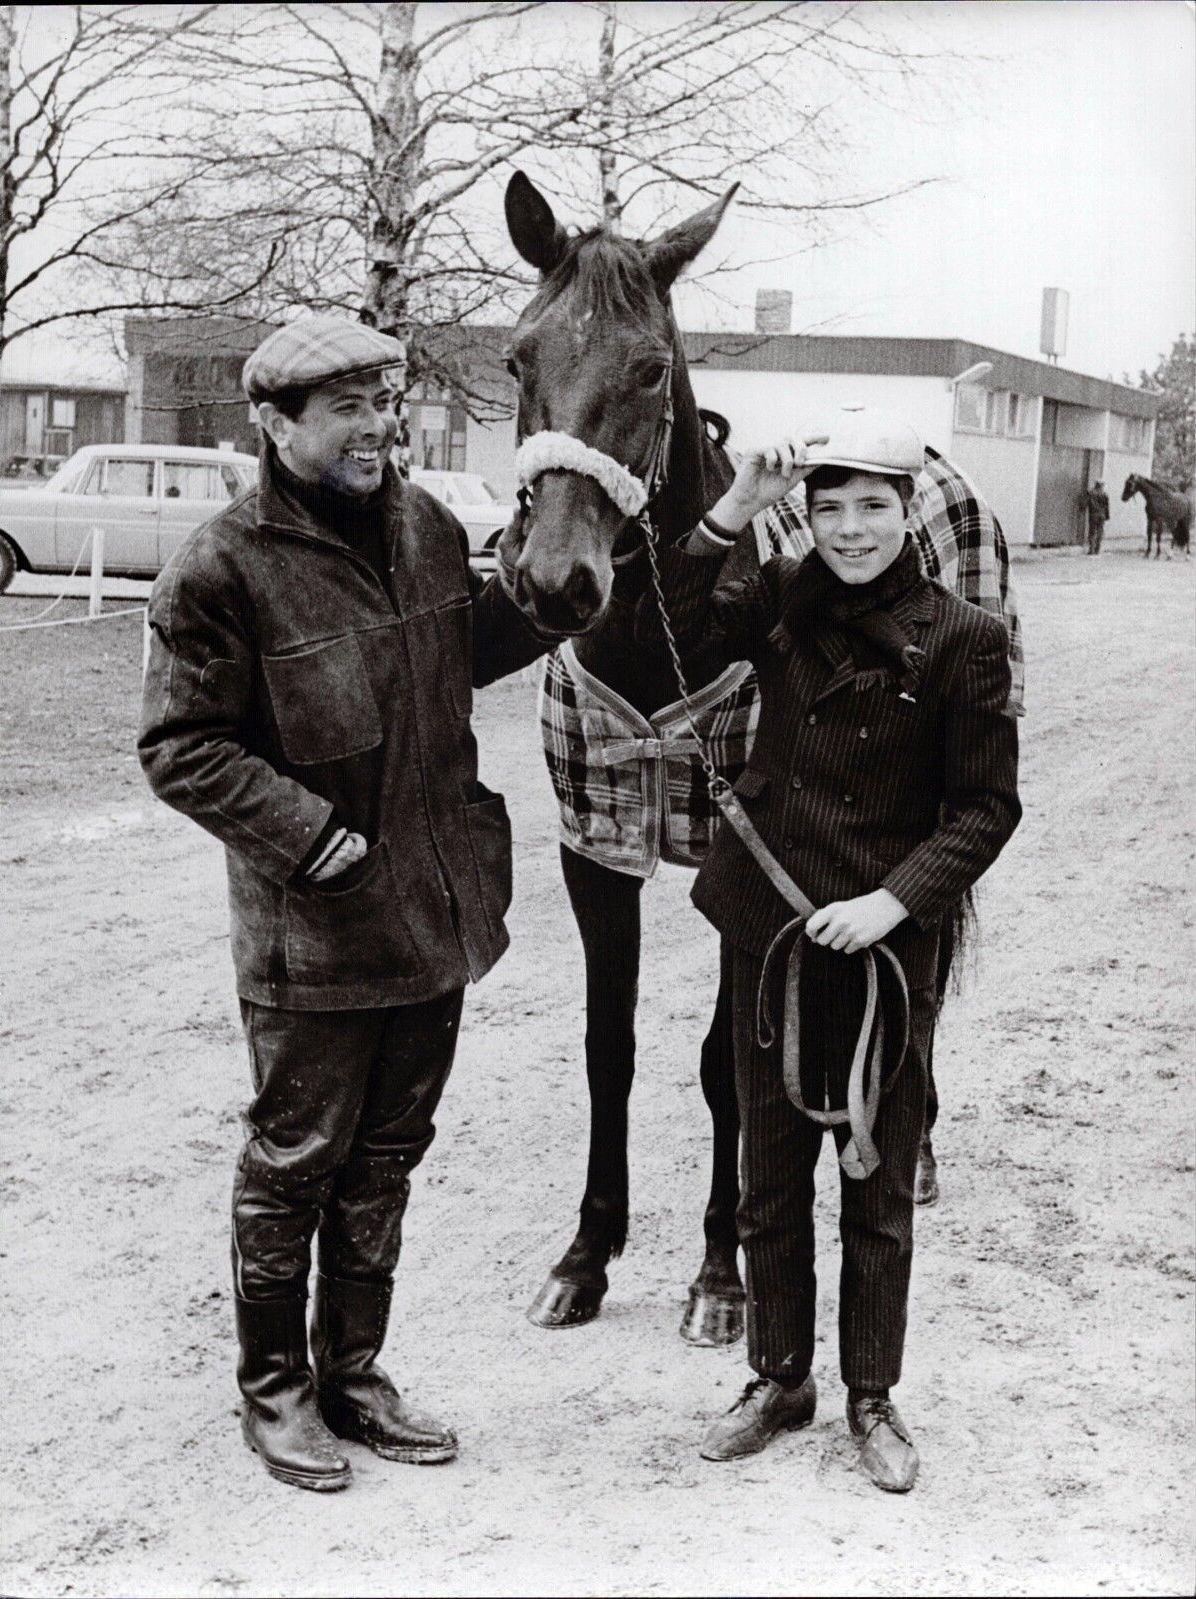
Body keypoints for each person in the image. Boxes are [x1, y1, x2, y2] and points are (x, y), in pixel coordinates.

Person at [139, 316, 548, 1493]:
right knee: (296, 1160)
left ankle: (354, 1375)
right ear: (272, 423)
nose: (378, 426)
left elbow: (464, 650)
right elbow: (181, 749)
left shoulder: (425, 527)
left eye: (385, 400)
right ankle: (274, 1393)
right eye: (346, 408)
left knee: (386, 1160)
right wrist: (315, 843)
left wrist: (554, 580)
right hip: (314, 932)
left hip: (436, 914)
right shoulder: (220, 566)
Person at [643, 408, 1021, 1492]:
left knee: (876, 1178)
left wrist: (895, 904)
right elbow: (664, 621)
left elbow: (986, 808)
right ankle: (776, 1378)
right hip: (768, 934)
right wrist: (730, 513)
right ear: (804, 520)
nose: (851, 530)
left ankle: (870, 1395)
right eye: (829, 510)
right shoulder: (773, 608)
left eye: (872, 508)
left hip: (888, 951)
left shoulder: (962, 639)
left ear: (910, 515)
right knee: (766, 1168)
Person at [1083, 479, 1110, 554]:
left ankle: (1091, 550)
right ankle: (1097, 549)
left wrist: (1082, 508)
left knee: (1092, 532)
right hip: (1102, 515)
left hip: (1093, 515)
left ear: (1096, 484)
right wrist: (1107, 516)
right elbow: (1107, 506)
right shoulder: (1105, 494)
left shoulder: (1091, 493)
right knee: (1100, 532)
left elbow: (1086, 503)